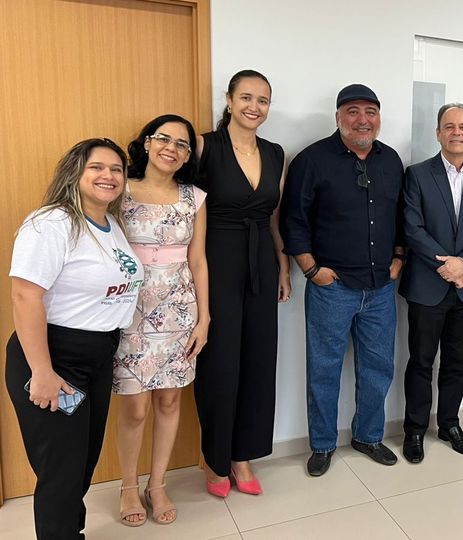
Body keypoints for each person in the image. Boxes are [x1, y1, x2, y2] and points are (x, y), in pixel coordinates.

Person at [5, 139, 144, 539]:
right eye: (96, 167)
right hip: (55, 357)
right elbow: (25, 295)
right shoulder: (51, 223)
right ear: (75, 173)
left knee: (81, 464)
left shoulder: (111, 225)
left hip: (97, 357)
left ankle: (70, 532)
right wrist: (42, 371)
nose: (109, 175)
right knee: (61, 471)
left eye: (116, 169)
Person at [281, 84, 405, 477]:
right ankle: (322, 444)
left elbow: (402, 217)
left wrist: (399, 258)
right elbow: (293, 221)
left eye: (370, 111)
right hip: (331, 289)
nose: (362, 120)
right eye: (353, 111)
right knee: (324, 368)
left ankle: (368, 436)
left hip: (381, 288)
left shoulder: (391, 161)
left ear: (379, 118)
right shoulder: (312, 160)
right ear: (338, 117)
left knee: (378, 368)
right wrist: (311, 269)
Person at [194, 69, 290, 497]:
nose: (254, 107)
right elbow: (188, 211)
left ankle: (243, 455)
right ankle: (215, 459)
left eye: (262, 100)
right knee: (220, 363)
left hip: (262, 263)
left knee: (258, 361)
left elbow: (273, 217)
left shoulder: (275, 153)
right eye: (246, 97)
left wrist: (282, 266)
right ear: (229, 100)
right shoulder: (204, 146)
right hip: (216, 260)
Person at [112, 115, 208, 525]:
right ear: (147, 143)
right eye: (164, 139)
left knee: (169, 400)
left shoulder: (194, 197)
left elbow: (198, 261)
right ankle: (128, 486)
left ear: (187, 156)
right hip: (128, 309)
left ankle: (157, 484)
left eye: (181, 144)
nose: (172, 148)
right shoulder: (120, 189)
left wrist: (204, 319)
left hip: (178, 309)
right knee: (135, 407)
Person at [399, 103, 463, 463]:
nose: (456, 132)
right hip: (428, 284)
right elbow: (412, 227)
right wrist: (447, 265)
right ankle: (414, 430)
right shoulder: (417, 174)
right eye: (449, 126)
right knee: (421, 361)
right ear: (438, 133)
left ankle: (449, 424)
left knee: (456, 361)